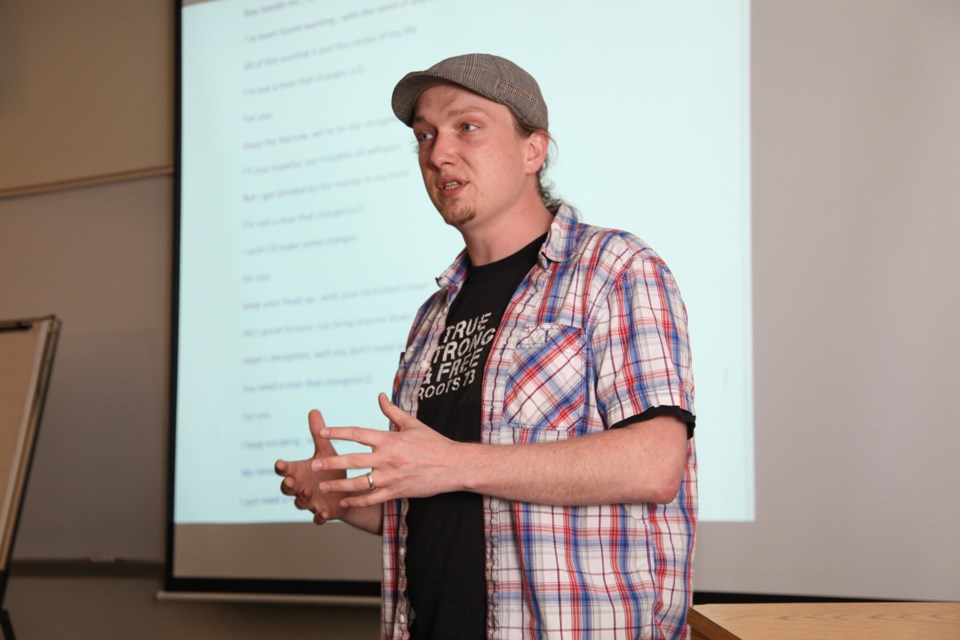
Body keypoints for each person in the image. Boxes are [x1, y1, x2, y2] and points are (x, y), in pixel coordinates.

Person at [275, 53, 697, 640]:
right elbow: (446, 507)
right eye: (425, 135)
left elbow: (654, 464)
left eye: (466, 126)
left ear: (533, 150)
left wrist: (452, 461)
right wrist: (348, 498)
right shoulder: (433, 315)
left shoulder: (615, 270)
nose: (437, 152)